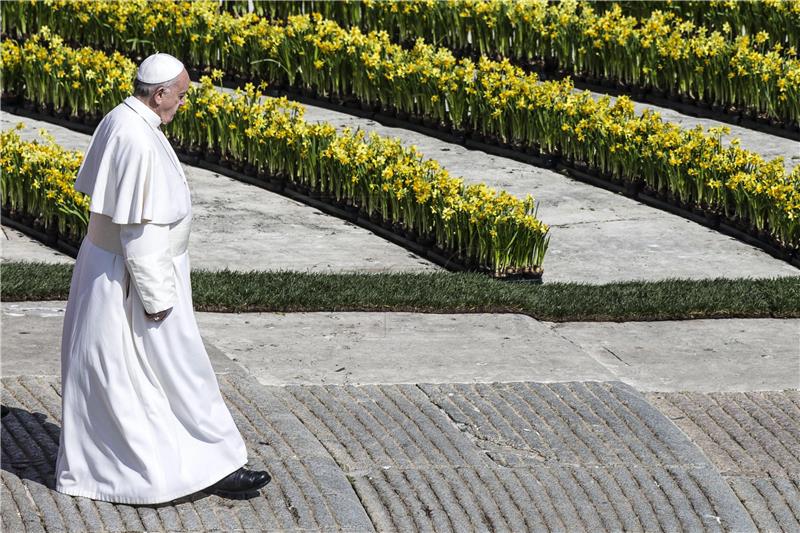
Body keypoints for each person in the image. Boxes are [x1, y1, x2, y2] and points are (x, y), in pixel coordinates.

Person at [55, 53, 270, 504]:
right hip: (135, 279)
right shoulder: (135, 138)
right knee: (175, 370)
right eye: (181, 95)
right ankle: (213, 464)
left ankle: (198, 462)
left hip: (115, 271)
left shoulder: (124, 118)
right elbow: (140, 230)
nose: (183, 103)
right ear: (159, 94)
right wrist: (157, 298)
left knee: (128, 374)